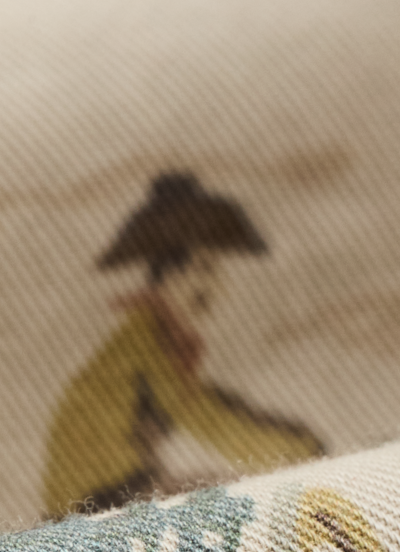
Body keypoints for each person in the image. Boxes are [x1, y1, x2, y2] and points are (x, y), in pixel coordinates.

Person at [42, 170, 325, 519]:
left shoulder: (151, 333)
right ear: (170, 273)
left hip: (109, 492)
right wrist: (295, 449)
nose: (217, 285)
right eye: (205, 267)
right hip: (97, 500)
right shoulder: (145, 341)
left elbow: (206, 401)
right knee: (242, 501)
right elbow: (200, 414)